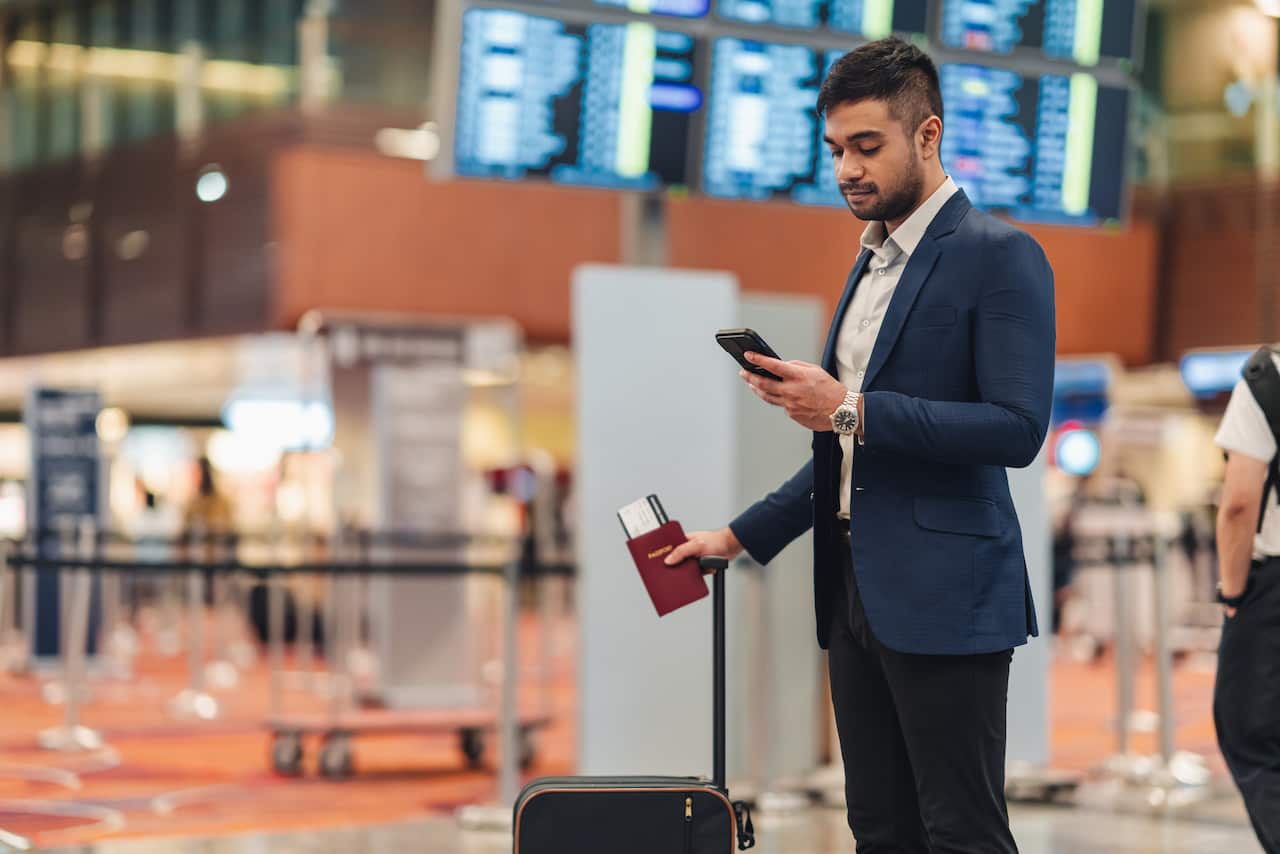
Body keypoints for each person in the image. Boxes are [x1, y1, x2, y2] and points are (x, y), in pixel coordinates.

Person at [665, 37, 1055, 853]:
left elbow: (1017, 429)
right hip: (852, 595)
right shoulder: (868, 265)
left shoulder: (1002, 256)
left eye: (867, 146)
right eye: (836, 149)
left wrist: (848, 408)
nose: (846, 167)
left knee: (964, 833)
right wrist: (737, 537)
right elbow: (847, 459)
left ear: (927, 135)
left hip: (949, 596)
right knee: (878, 827)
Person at [1211, 346, 1280, 853]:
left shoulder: (1267, 376)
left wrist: (1233, 592)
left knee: (1251, 733)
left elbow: (1239, 502)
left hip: (1273, 591)